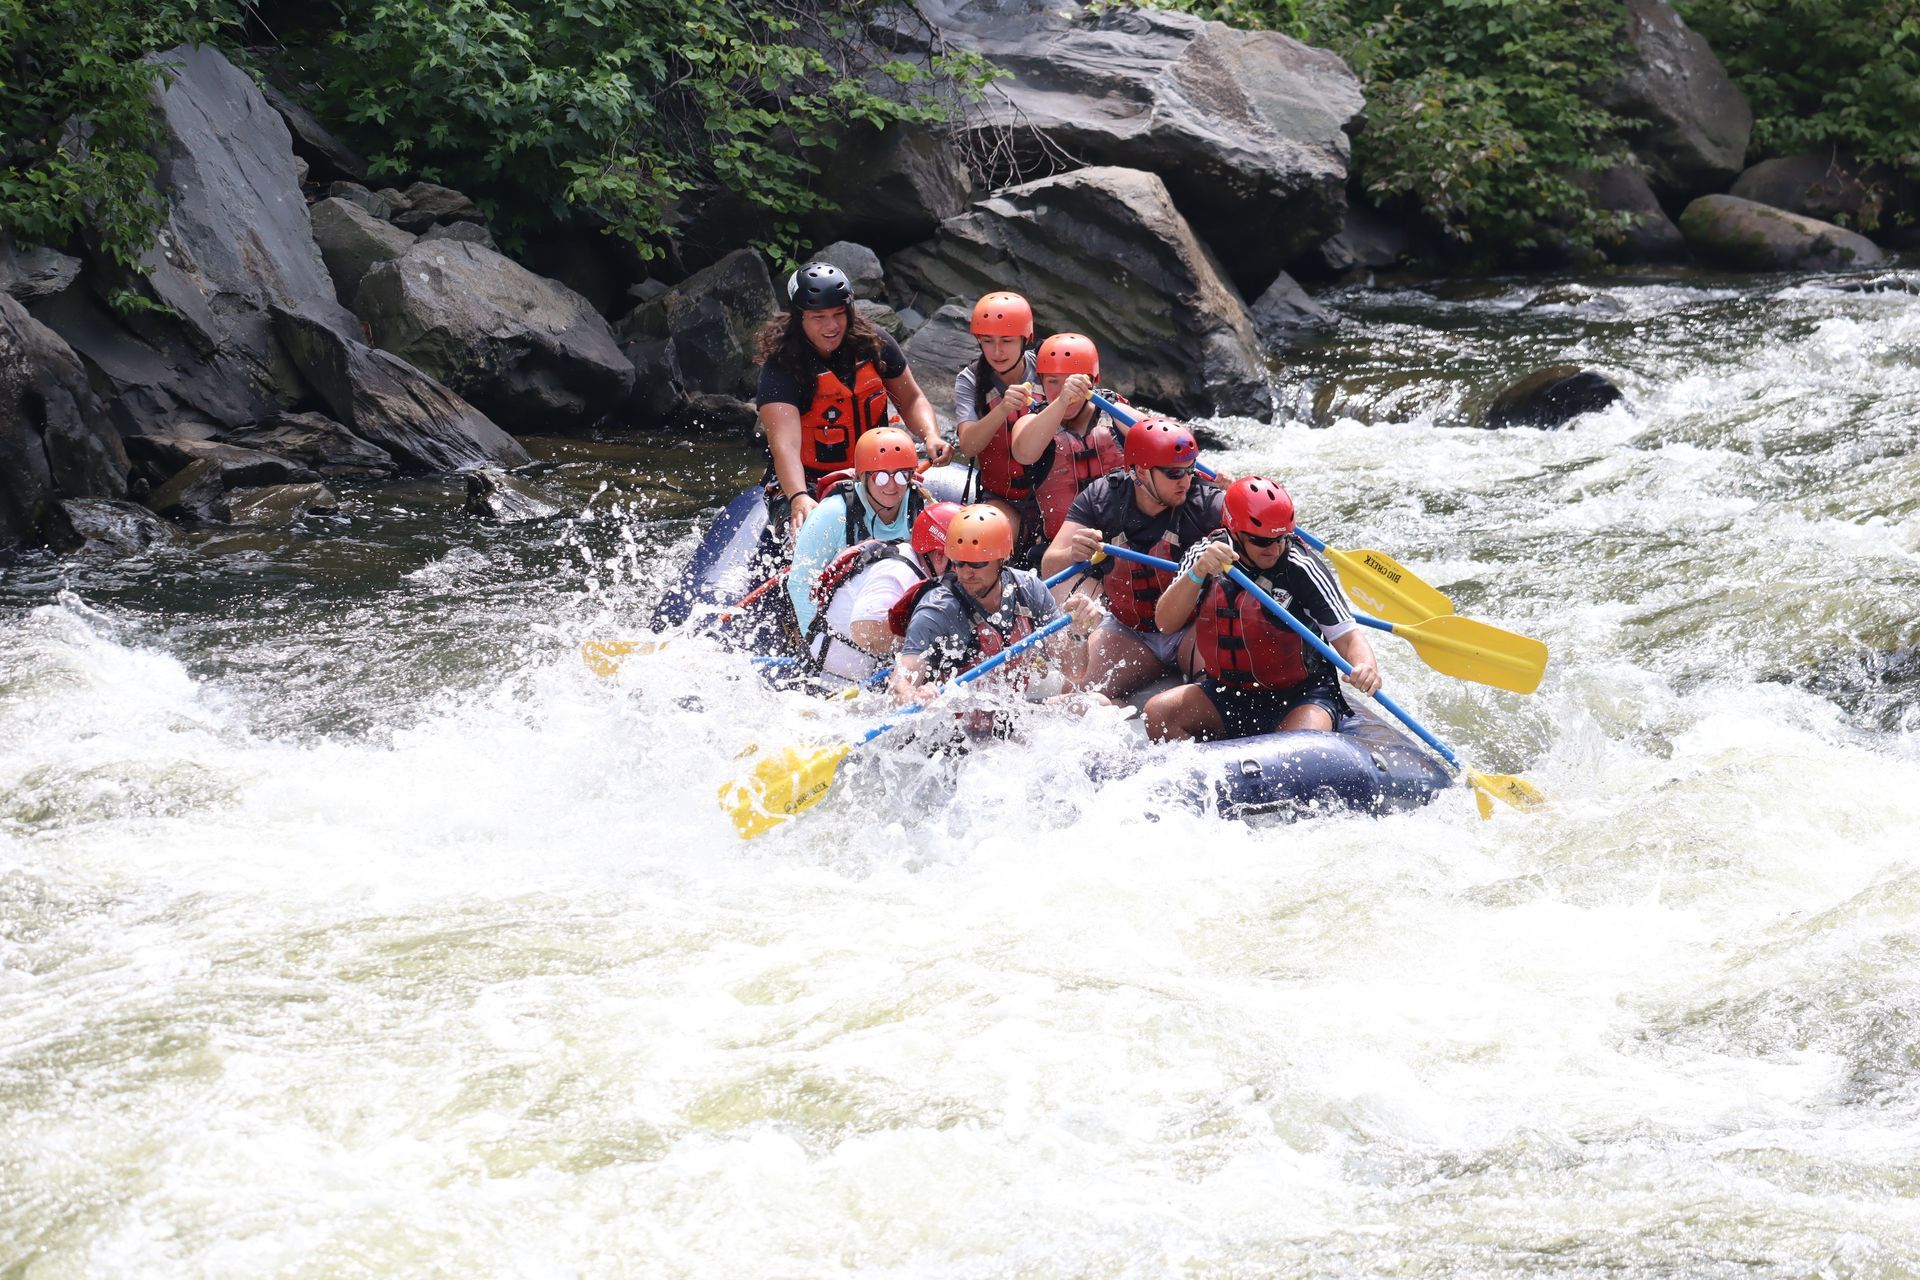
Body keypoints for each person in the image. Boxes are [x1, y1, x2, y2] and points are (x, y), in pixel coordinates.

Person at [1144, 477, 1382, 742]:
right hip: (1229, 692)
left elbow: (1348, 636)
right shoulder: (1205, 554)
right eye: (1261, 541)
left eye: (1281, 538)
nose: (1274, 549)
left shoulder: (1301, 567)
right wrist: (1197, 573)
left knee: (1299, 748)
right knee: (1158, 714)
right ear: (1235, 532)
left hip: (1300, 696)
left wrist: (1365, 666)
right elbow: (1165, 623)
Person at [755, 261, 951, 540]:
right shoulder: (782, 368)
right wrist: (798, 496)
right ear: (799, 318)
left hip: (876, 472)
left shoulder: (874, 344)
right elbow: (785, 446)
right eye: (819, 317)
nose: (832, 326)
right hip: (809, 482)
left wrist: (931, 436)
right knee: (805, 538)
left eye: (839, 314)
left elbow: (911, 400)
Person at [1039, 416, 1225, 700]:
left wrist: (1239, 502)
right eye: (1174, 473)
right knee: (1076, 696)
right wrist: (1072, 553)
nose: (1186, 481)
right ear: (1141, 472)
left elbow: (1267, 544)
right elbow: (1050, 566)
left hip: (1192, 627)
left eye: (1190, 469)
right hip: (1131, 629)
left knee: (1219, 691)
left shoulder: (1207, 502)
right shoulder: (1102, 498)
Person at [889, 505, 1100, 707]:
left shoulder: (1028, 589)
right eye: (959, 562)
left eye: (978, 563)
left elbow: (1073, 671)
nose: (966, 573)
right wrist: (911, 696)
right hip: (957, 726)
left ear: (1002, 558)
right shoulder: (937, 609)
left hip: (1012, 713)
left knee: (1097, 703)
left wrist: (1077, 633)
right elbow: (900, 682)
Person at [787, 427, 928, 637]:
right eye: (881, 477)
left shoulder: (922, 507)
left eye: (901, 475)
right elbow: (800, 582)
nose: (892, 485)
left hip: (893, 610)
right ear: (862, 476)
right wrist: (817, 641)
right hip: (842, 620)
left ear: (911, 475)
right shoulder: (832, 513)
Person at [802, 501, 959, 684]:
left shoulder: (915, 565)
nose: (964, 572)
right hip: (826, 685)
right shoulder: (897, 572)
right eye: (961, 562)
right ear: (939, 556)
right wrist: (927, 639)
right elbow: (865, 631)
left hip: (859, 685)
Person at [1007, 333, 1129, 546]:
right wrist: (1062, 401)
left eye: (1073, 381)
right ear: (1041, 382)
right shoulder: (1031, 421)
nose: (1065, 389)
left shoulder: (1115, 412)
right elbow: (1023, 453)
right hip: (1061, 548)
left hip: (1123, 543)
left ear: (1092, 381)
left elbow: (1163, 440)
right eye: (1053, 381)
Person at [954, 291, 1040, 546]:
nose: (997, 351)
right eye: (988, 341)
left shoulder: (1048, 368)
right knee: (986, 540)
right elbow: (968, 446)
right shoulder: (970, 380)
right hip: (1002, 498)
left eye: (1007, 340)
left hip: (1054, 492)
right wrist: (1002, 409)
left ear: (1025, 339)